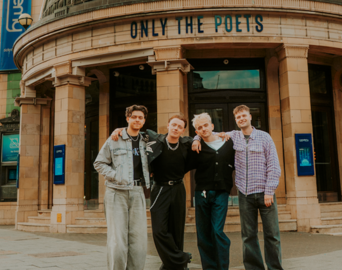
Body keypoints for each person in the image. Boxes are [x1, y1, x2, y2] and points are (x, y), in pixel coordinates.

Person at [193, 105, 283, 270]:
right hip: (245, 194)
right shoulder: (233, 136)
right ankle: (254, 268)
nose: (241, 119)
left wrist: (270, 191)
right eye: (238, 117)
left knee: (272, 236)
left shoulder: (264, 137)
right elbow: (207, 133)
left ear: (250, 117)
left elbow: (274, 166)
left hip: (265, 194)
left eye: (244, 115)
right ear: (235, 120)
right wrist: (195, 139)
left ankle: (275, 268)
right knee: (248, 236)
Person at [111, 115, 192, 270]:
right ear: (168, 125)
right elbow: (134, 133)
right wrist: (119, 129)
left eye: (179, 127)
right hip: (160, 188)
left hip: (178, 189)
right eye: (173, 125)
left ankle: (173, 265)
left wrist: (197, 140)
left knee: (177, 229)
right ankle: (181, 258)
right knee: (159, 230)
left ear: (183, 130)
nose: (176, 128)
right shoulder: (154, 139)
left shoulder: (186, 143)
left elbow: (198, 139)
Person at [93, 105, 151, 270]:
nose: (137, 120)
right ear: (127, 118)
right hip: (115, 192)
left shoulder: (146, 140)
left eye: (141, 117)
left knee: (139, 241)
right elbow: (99, 162)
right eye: (134, 117)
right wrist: (116, 175)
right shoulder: (114, 139)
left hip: (138, 191)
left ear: (144, 120)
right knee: (118, 240)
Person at [188, 113, 235, 270]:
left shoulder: (228, 143)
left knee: (217, 231)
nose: (203, 129)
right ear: (196, 131)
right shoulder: (196, 147)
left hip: (221, 193)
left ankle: (222, 267)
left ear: (212, 126)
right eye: (199, 128)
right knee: (203, 234)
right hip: (201, 194)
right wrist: (195, 140)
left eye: (205, 125)